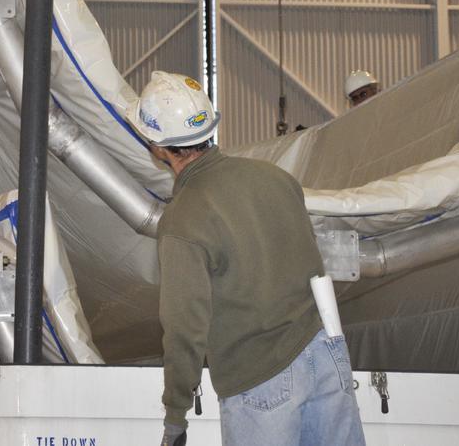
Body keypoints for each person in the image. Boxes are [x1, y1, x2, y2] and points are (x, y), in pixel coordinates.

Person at [128, 71, 366, 446]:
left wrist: (176, 415)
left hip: (260, 380)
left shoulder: (183, 219)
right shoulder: (276, 178)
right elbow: (311, 267)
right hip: (324, 355)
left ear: (157, 146)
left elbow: (184, 327)